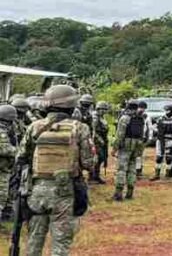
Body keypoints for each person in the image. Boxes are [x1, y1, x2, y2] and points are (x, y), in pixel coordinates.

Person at [16, 85, 94, 256]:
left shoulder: (34, 127)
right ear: (72, 105)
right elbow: (88, 163)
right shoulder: (80, 128)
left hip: (36, 191)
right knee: (61, 242)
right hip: (64, 192)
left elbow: (21, 157)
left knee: (34, 239)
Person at [112, 100, 148, 201]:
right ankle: (130, 192)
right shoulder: (140, 118)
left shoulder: (125, 118)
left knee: (121, 169)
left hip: (125, 146)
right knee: (132, 169)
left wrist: (115, 148)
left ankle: (118, 193)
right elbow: (143, 135)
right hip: (136, 146)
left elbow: (120, 135)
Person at [0, 104, 17, 223]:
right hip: (2, 170)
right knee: (1, 197)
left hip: (4, 168)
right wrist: (20, 151)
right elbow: (5, 149)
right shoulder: (2, 132)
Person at [90, 101, 111, 184]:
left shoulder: (102, 117)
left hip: (103, 139)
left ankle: (96, 175)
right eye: (102, 109)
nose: (104, 111)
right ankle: (92, 176)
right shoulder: (95, 117)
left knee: (102, 157)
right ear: (98, 109)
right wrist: (99, 139)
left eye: (105, 109)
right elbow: (93, 131)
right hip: (96, 141)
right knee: (97, 158)